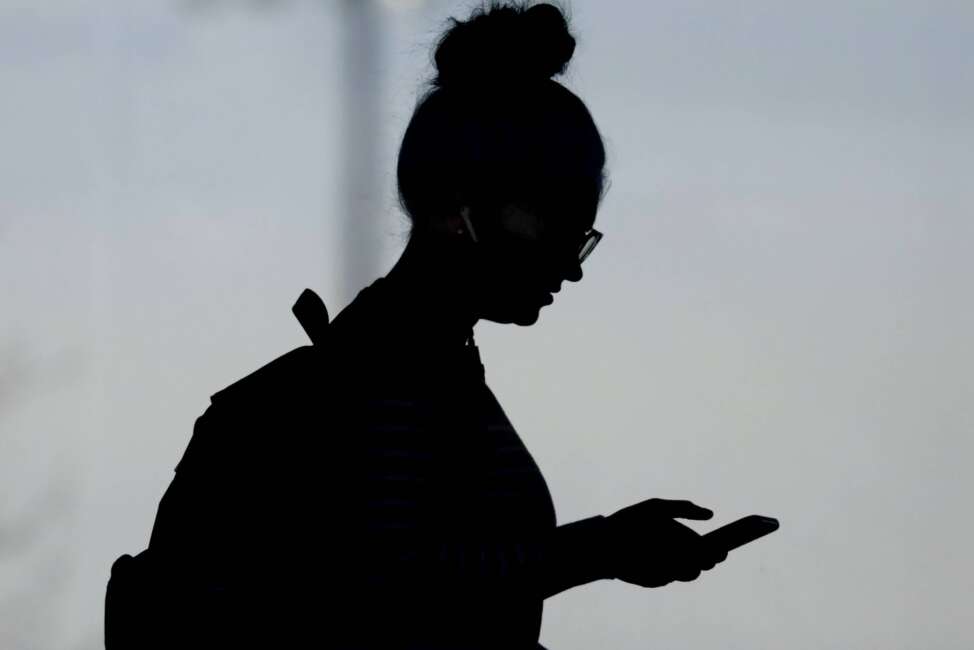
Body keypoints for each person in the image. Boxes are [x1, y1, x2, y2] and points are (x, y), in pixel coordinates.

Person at [122, 2, 727, 649]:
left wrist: (600, 551)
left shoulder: (414, 370)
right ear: (454, 206)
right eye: (550, 225)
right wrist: (598, 550)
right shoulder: (385, 378)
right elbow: (385, 588)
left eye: (581, 237)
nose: (568, 265)